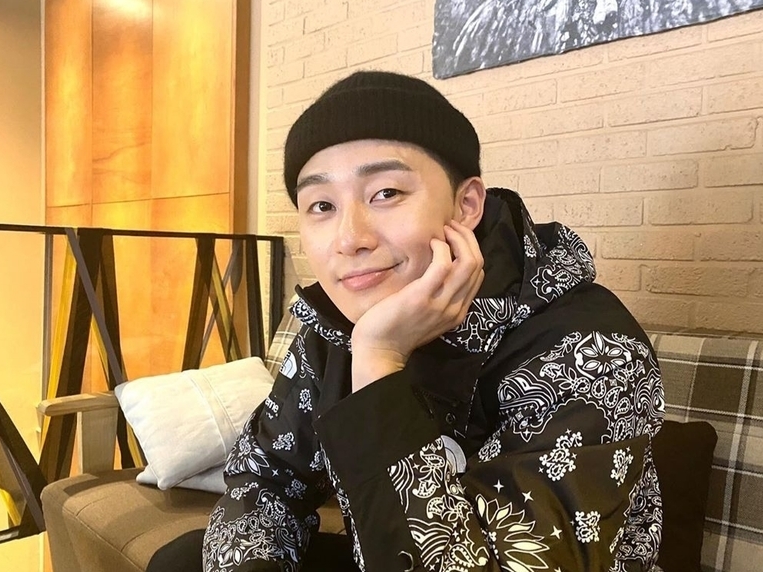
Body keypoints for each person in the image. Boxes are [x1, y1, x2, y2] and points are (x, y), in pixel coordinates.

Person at [151, 70, 664, 572]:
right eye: (322, 205)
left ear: (466, 205)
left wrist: (378, 360)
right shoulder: (335, 328)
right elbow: (263, 479)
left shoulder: (592, 347)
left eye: (386, 194)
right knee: (185, 560)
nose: (350, 238)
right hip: (388, 551)